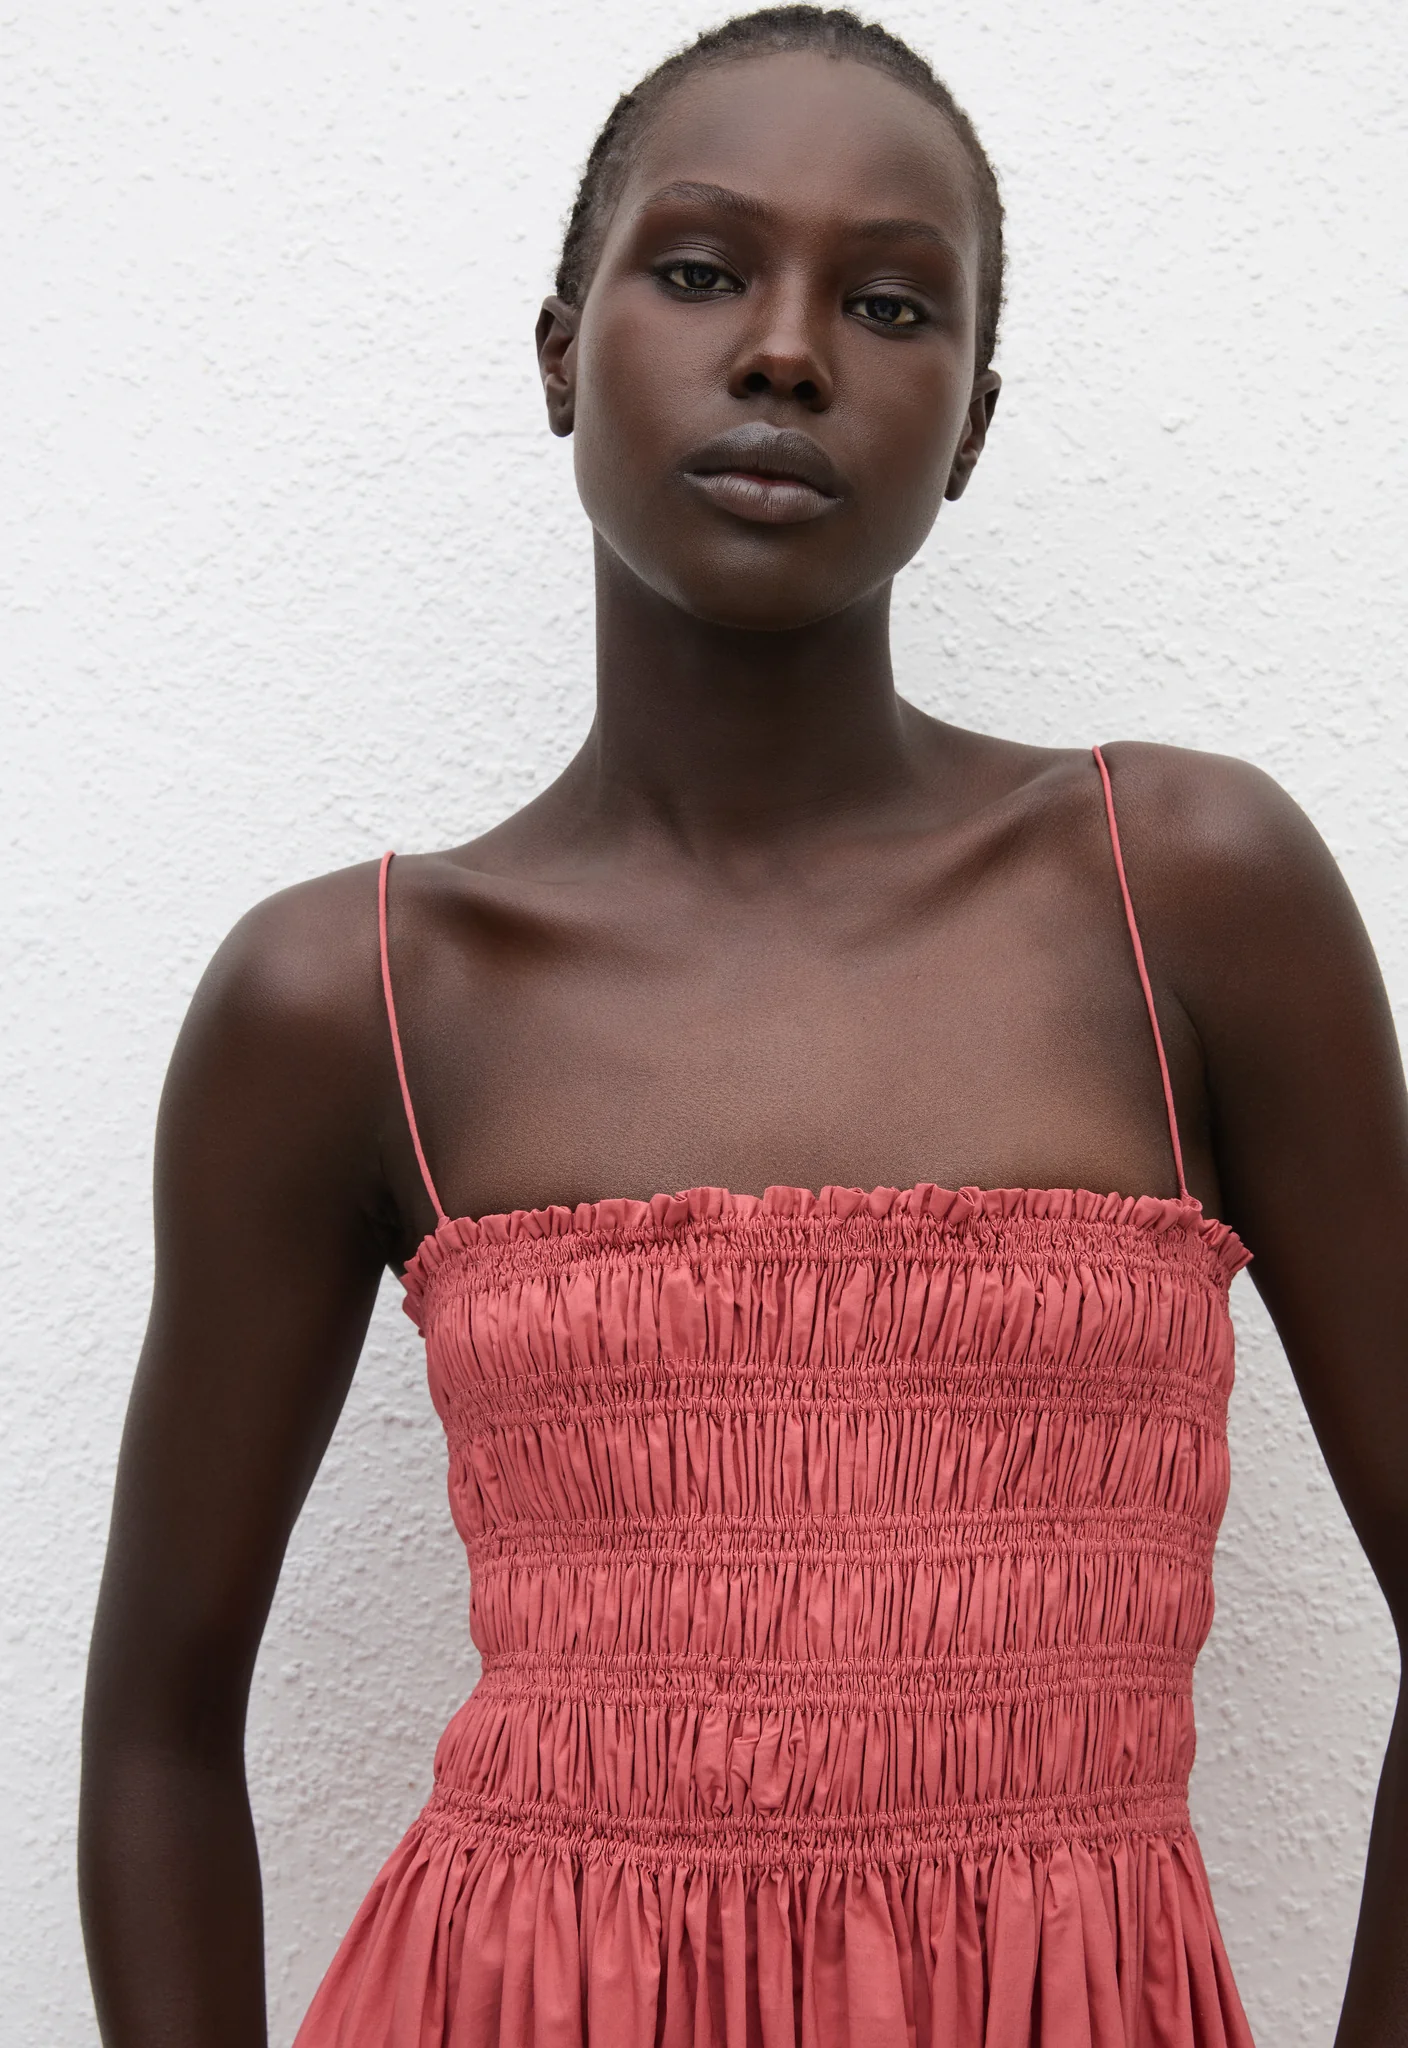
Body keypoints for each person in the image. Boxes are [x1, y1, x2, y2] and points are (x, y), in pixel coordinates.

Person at [79, 8, 1408, 2045]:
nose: (785, 352)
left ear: (970, 423)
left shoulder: (1183, 900)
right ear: (560, 353)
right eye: (700, 270)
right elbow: (158, 1736)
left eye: (888, 304)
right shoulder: (356, 995)